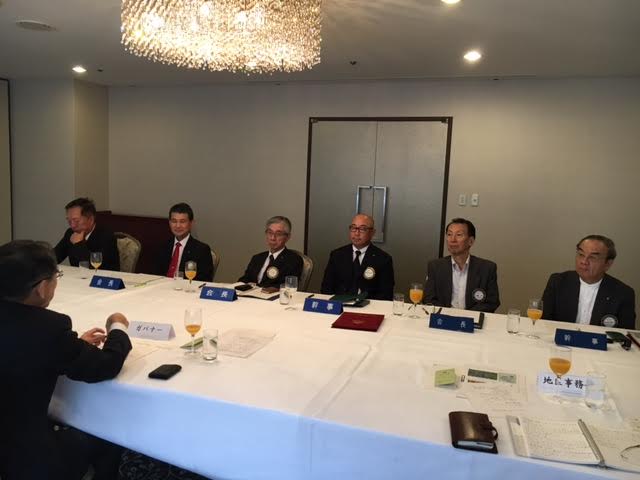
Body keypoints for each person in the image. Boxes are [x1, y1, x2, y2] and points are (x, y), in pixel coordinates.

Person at [0, 240, 132, 480]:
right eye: (56, 276)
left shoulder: (47, 334)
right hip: (26, 457)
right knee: (108, 434)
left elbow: (23, 348)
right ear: (42, 288)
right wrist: (118, 327)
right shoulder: (48, 328)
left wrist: (70, 344)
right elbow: (105, 365)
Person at [542, 235, 636, 329]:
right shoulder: (558, 282)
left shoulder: (623, 293)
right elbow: (543, 321)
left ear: (607, 264)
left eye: (592, 257)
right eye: (581, 254)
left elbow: (625, 333)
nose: (584, 262)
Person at [424, 218, 500, 312]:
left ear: (471, 241)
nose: (452, 240)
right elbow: (429, 299)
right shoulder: (435, 266)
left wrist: (466, 316)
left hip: (473, 318)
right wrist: (449, 315)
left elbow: (492, 302)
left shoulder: (487, 268)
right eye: (449, 234)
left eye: (459, 235)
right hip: (443, 318)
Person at [321, 214, 394, 300]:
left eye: (362, 229)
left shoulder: (383, 259)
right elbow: (326, 288)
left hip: (369, 305)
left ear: (372, 233)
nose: (356, 233)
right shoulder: (337, 255)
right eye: (353, 228)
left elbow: (386, 294)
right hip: (339, 303)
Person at [54, 197, 120, 271]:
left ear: (91, 219)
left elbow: (94, 267)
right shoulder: (70, 233)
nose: (72, 225)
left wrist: (78, 244)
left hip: (103, 276)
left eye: (76, 220)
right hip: (78, 276)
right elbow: (54, 257)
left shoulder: (106, 235)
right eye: (69, 221)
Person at [238, 216, 303, 288]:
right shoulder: (257, 258)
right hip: (250, 294)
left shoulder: (293, 260)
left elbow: (286, 287)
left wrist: (256, 287)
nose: (272, 238)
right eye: (270, 233)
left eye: (278, 234)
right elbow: (244, 280)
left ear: (288, 237)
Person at [159, 203, 214, 281]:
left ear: (191, 223)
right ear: (169, 222)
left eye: (182, 221)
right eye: (174, 221)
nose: (178, 226)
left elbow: (204, 281)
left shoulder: (202, 250)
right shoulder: (163, 246)